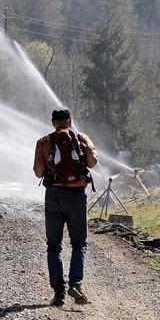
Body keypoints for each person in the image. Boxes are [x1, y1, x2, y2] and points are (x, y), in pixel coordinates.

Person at [33, 108, 99, 306]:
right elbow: (93, 163)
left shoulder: (43, 142)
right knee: (79, 243)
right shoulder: (81, 138)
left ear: (53, 122)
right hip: (76, 196)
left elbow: (38, 172)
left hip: (53, 196)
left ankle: (58, 292)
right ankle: (76, 284)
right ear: (70, 121)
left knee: (54, 246)